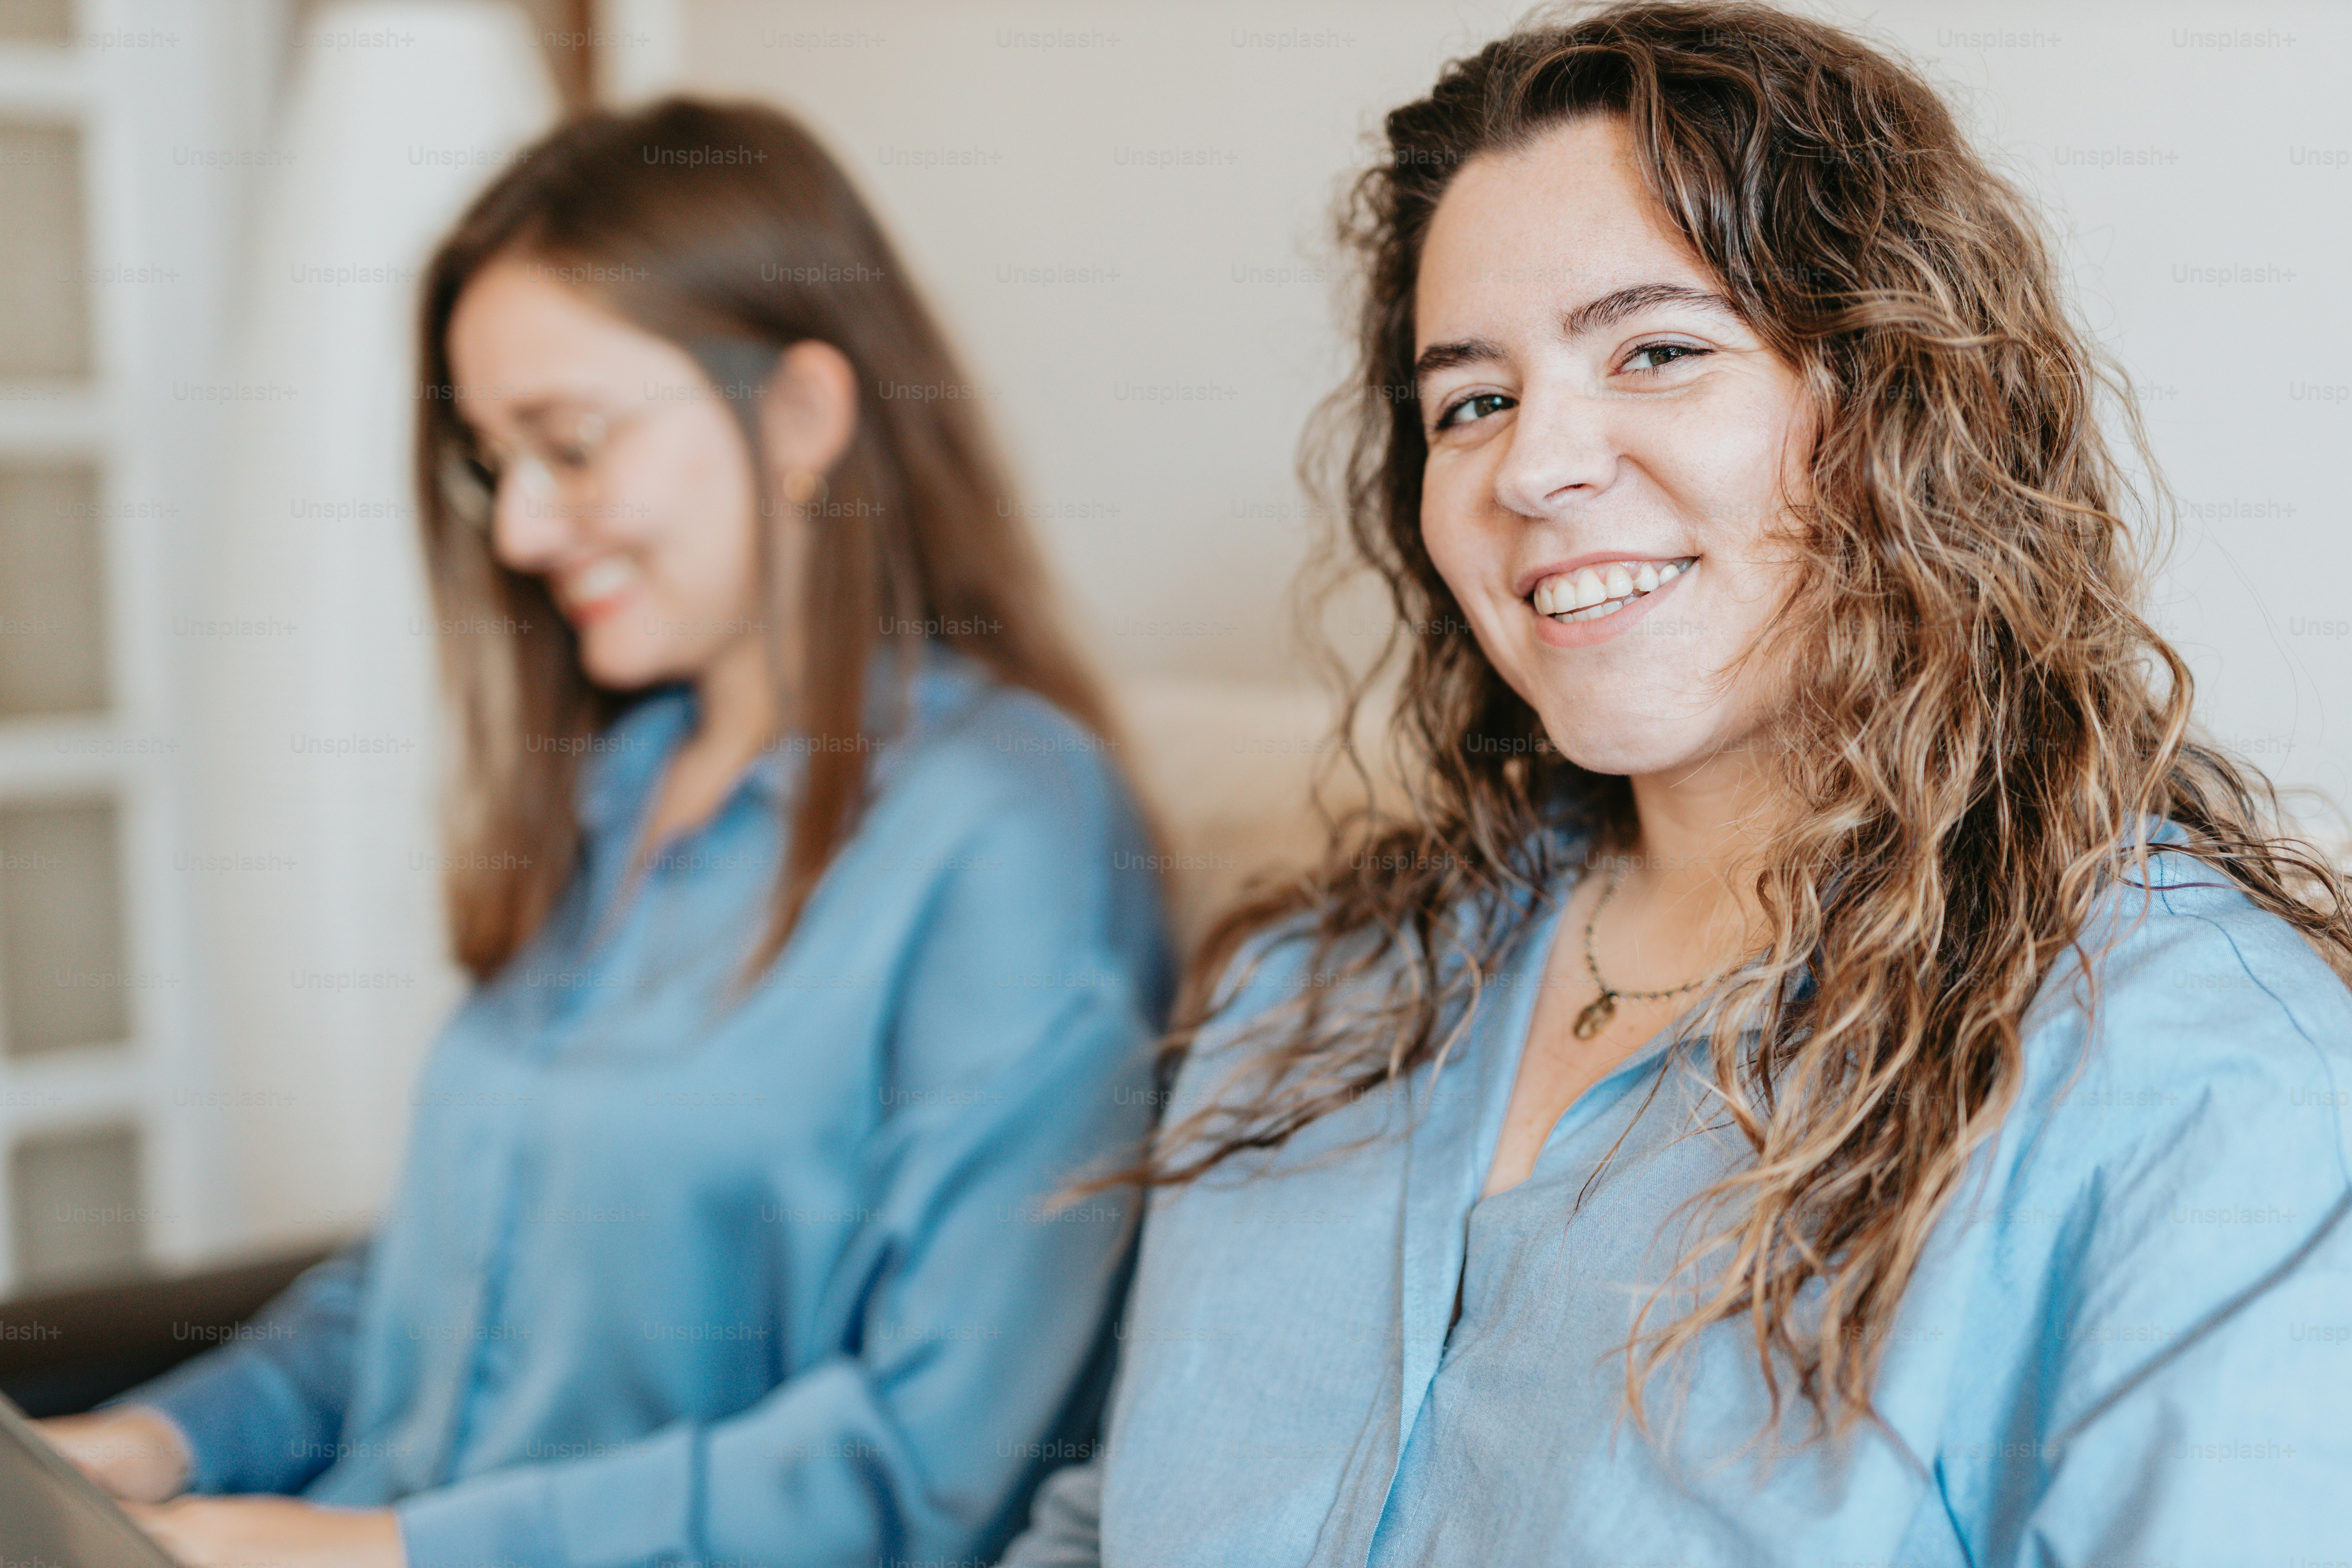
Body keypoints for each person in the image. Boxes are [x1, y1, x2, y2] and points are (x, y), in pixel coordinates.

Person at [1000, 5, 2352, 1564]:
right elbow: (1102, 1526)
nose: (1533, 467)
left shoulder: (2206, 1074)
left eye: (1656, 350)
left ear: (1893, 405)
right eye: (1473, 400)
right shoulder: (1315, 995)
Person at [41, 98, 1172, 1568]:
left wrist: (388, 1551)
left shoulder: (1011, 831)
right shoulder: (620, 783)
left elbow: (928, 1461)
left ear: (802, 418)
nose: (516, 529)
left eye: (569, 446)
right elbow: (449, 1292)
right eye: (492, 463)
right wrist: (145, 1444)